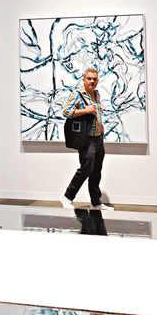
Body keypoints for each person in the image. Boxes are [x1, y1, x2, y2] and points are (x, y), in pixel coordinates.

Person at [60, 68, 112, 211]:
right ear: (83, 79)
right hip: (86, 139)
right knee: (86, 168)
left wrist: (101, 128)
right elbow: (66, 111)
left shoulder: (96, 94)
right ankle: (67, 196)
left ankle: (96, 203)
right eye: (89, 78)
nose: (92, 81)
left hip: (98, 138)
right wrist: (86, 110)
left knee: (96, 170)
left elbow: (97, 113)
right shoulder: (78, 94)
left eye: (94, 79)